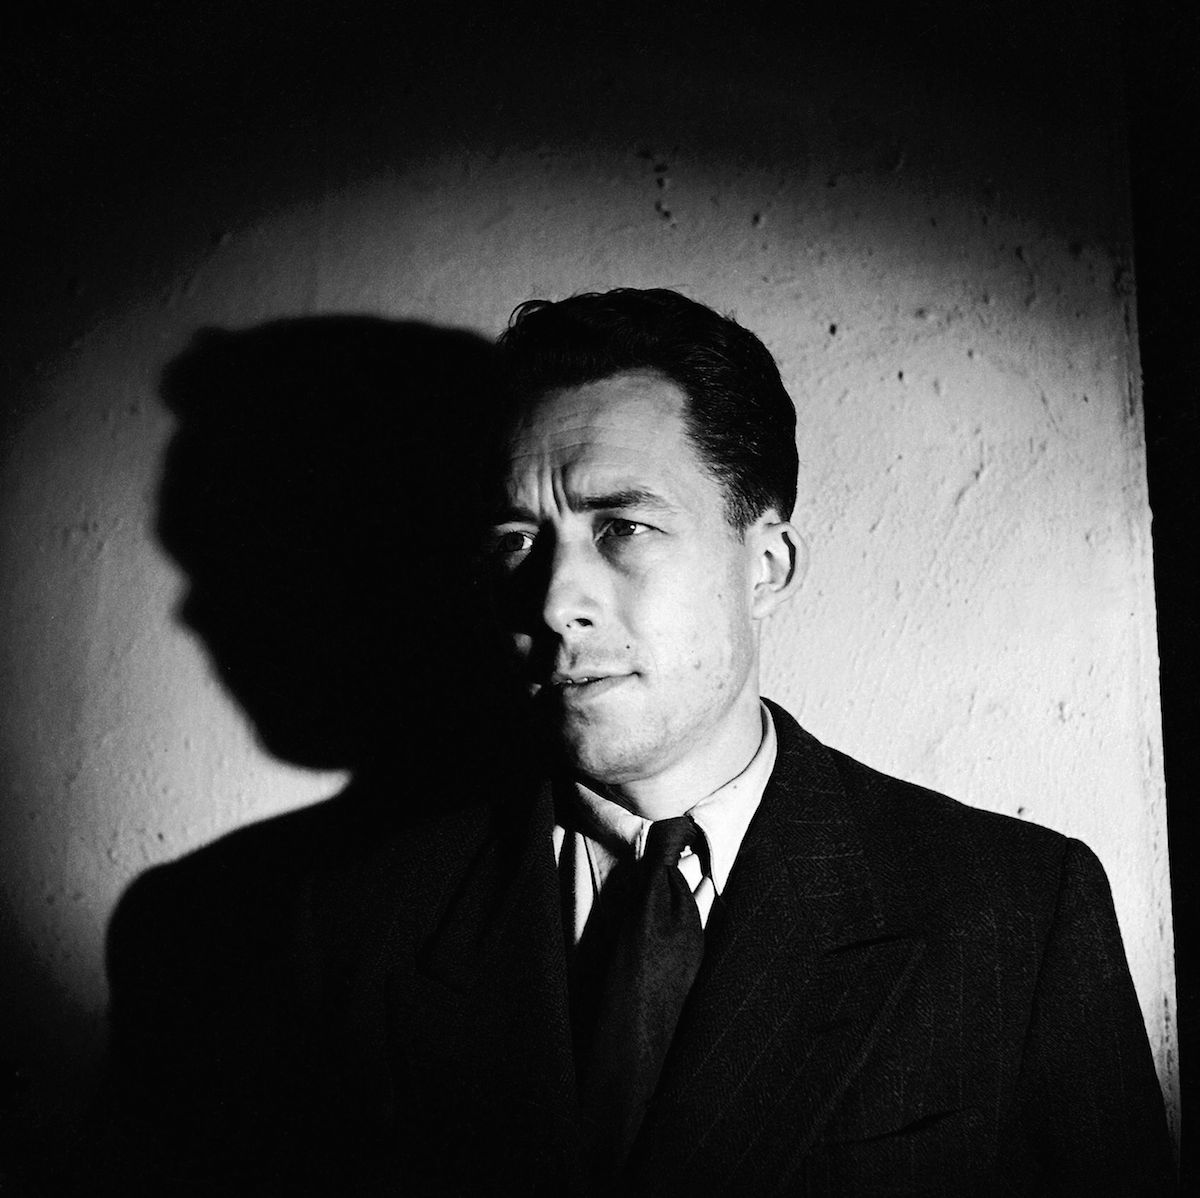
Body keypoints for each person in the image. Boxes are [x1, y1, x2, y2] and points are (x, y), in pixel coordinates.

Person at [97, 290, 1173, 1196]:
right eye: (517, 539)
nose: (553, 598)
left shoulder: (1012, 911)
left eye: (623, 526)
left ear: (766, 565)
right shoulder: (344, 927)